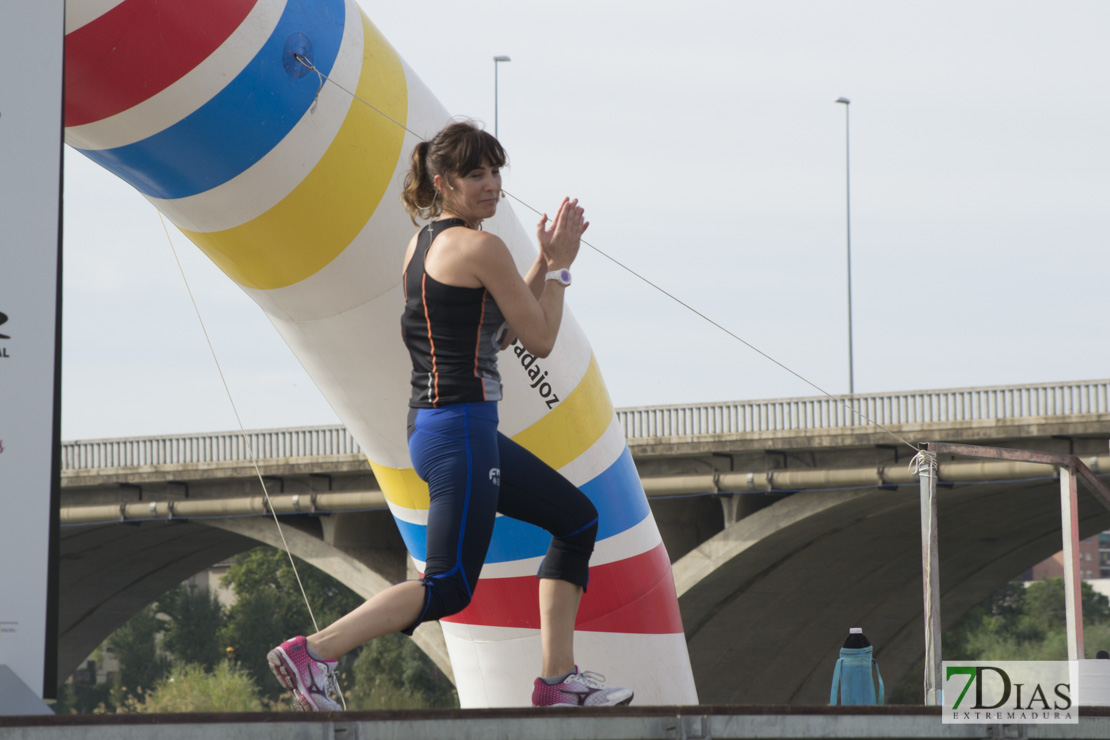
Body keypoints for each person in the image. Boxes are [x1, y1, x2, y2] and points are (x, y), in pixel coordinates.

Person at [266, 120, 633, 710]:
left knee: (576, 520)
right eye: (475, 175)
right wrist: (561, 268)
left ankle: (558, 681)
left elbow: (501, 332)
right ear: (444, 182)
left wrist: (539, 263)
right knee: (447, 586)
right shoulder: (481, 246)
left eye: (495, 172)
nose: (491, 185)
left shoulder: (427, 244)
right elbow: (539, 340)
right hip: (460, 430)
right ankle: (315, 652)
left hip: (443, 428)